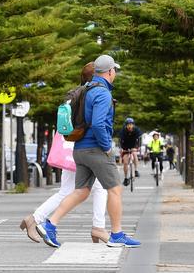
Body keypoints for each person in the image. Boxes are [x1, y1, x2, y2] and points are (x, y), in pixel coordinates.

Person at [38, 54, 141, 248]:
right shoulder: (103, 93)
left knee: (82, 191)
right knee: (115, 189)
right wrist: (107, 147)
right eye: (115, 70)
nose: (115, 73)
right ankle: (117, 234)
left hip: (80, 148)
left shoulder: (85, 89)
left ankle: (50, 224)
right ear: (110, 71)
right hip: (96, 149)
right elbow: (98, 123)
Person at [21, 62, 109, 244]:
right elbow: (94, 122)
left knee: (67, 190)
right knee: (101, 187)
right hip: (84, 146)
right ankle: (98, 228)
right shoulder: (90, 95)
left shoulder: (73, 94)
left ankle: (35, 219)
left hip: (70, 145)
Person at [119, 118, 143, 186]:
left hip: (134, 146)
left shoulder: (136, 130)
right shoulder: (123, 131)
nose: (130, 126)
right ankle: (126, 178)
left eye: (131, 124)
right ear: (126, 125)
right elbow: (120, 140)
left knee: (135, 154)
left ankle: (136, 170)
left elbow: (140, 139)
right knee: (125, 162)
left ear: (133, 125)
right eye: (128, 125)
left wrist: (138, 147)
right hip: (125, 147)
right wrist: (121, 148)